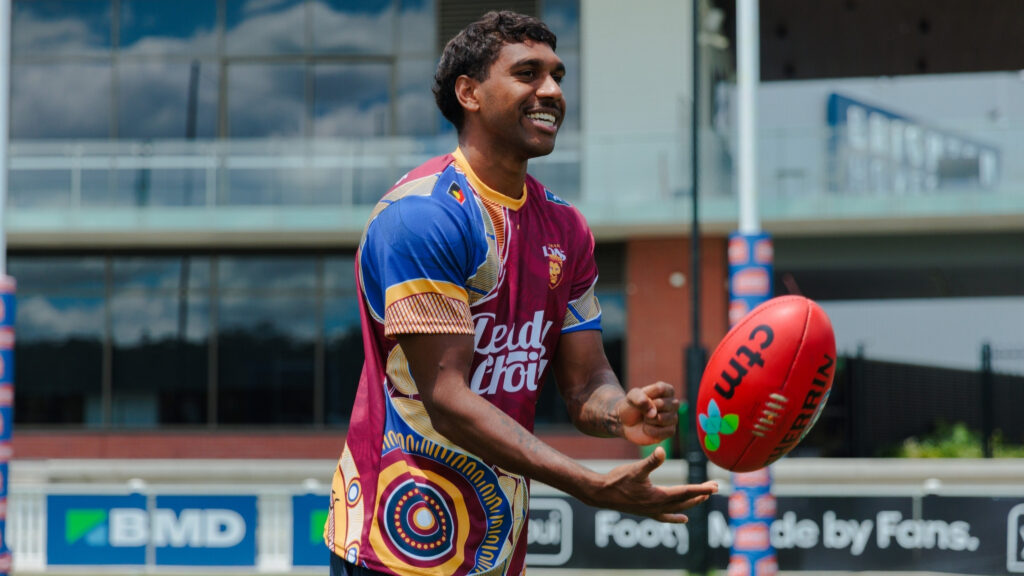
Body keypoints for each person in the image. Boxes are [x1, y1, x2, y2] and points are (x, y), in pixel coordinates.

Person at [325, 10, 718, 576]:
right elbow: (448, 398)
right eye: (528, 73)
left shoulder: (567, 228)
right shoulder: (422, 214)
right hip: (394, 547)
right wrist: (589, 484)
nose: (552, 91)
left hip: (499, 549)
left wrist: (620, 412)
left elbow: (585, 381)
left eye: (558, 75)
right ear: (470, 93)